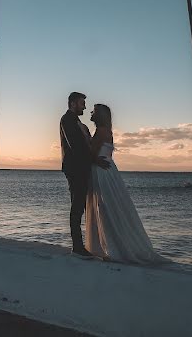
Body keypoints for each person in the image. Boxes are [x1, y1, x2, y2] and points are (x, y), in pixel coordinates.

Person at [85, 104, 167, 264]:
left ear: (99, 115)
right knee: (111, 207)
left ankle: (109, 247)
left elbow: (91, 153)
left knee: (104, 208)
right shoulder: (107, 131)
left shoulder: (101, 131)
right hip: (108, 170)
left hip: (100, 171)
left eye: (93, 111)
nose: (91, 113)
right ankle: (111, 245)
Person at [60, 92, 108, 258]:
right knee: (77, 206)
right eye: (82, 103)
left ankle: (88, 244)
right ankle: (77, 247)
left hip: (83, 169)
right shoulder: (67, 120)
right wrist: (95, 160)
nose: (85, 107)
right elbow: (76, 147)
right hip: (75, 169)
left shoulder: (78, 122)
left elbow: (85, 146)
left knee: (83, 205)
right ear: (73, 103)